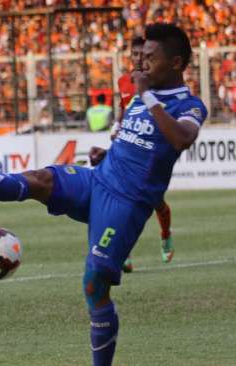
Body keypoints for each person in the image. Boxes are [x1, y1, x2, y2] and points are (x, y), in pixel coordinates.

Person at [0, 24, 205, 366]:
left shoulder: (189, 104)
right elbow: (136, 145)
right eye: (141, 58)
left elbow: (181, 138)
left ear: (175, 62)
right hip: (98, 180)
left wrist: (147, 97)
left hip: (126, 204)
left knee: (94, 285)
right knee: (40, 179)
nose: (142, 65)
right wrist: (106, 154)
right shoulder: (141, 98)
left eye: (150, 59)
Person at [111, 36, 174, 272]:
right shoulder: (123, 81)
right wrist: (116, 127)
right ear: (130, 56)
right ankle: (123, 252)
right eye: (135, 54)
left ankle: (166, 234)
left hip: (151, 149)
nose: (139, 59)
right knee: (123, 199)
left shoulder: (157, 82)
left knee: (155, 201)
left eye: (144, 55)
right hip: (127, 147)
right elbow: (124, 107)